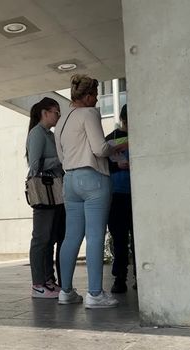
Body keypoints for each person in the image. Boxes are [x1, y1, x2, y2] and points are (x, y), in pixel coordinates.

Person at [54, 74, 126, 309]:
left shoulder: (62, 120)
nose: (96, 99)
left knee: (71, 236)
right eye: (94, 95)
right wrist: (124, 143)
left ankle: (65, 291)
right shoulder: (89, 113)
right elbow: (100, 148)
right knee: (95, 235)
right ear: (86, 96)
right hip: (93, 178)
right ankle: (95, 294)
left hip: (70, 180)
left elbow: (62, 156)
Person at [26, 97, 65, 299]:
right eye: (56, 112)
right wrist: (60, 159)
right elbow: (34, 165)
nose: (58, 115)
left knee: (50, 237)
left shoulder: (49, 134)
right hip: (43, 190)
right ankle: (38, 283)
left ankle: (48, 280)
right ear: (45, 112)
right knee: (40, 237)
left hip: (55, 191)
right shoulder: (37, 134)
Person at [106, 105, 136, 293]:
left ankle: (139, 277)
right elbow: (102, 164)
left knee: (138, 239)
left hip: (136, 194)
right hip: (117, 194)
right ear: (124, 119)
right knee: (119, 238)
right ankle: (120, 277)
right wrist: (118, 166)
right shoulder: (110, 139)